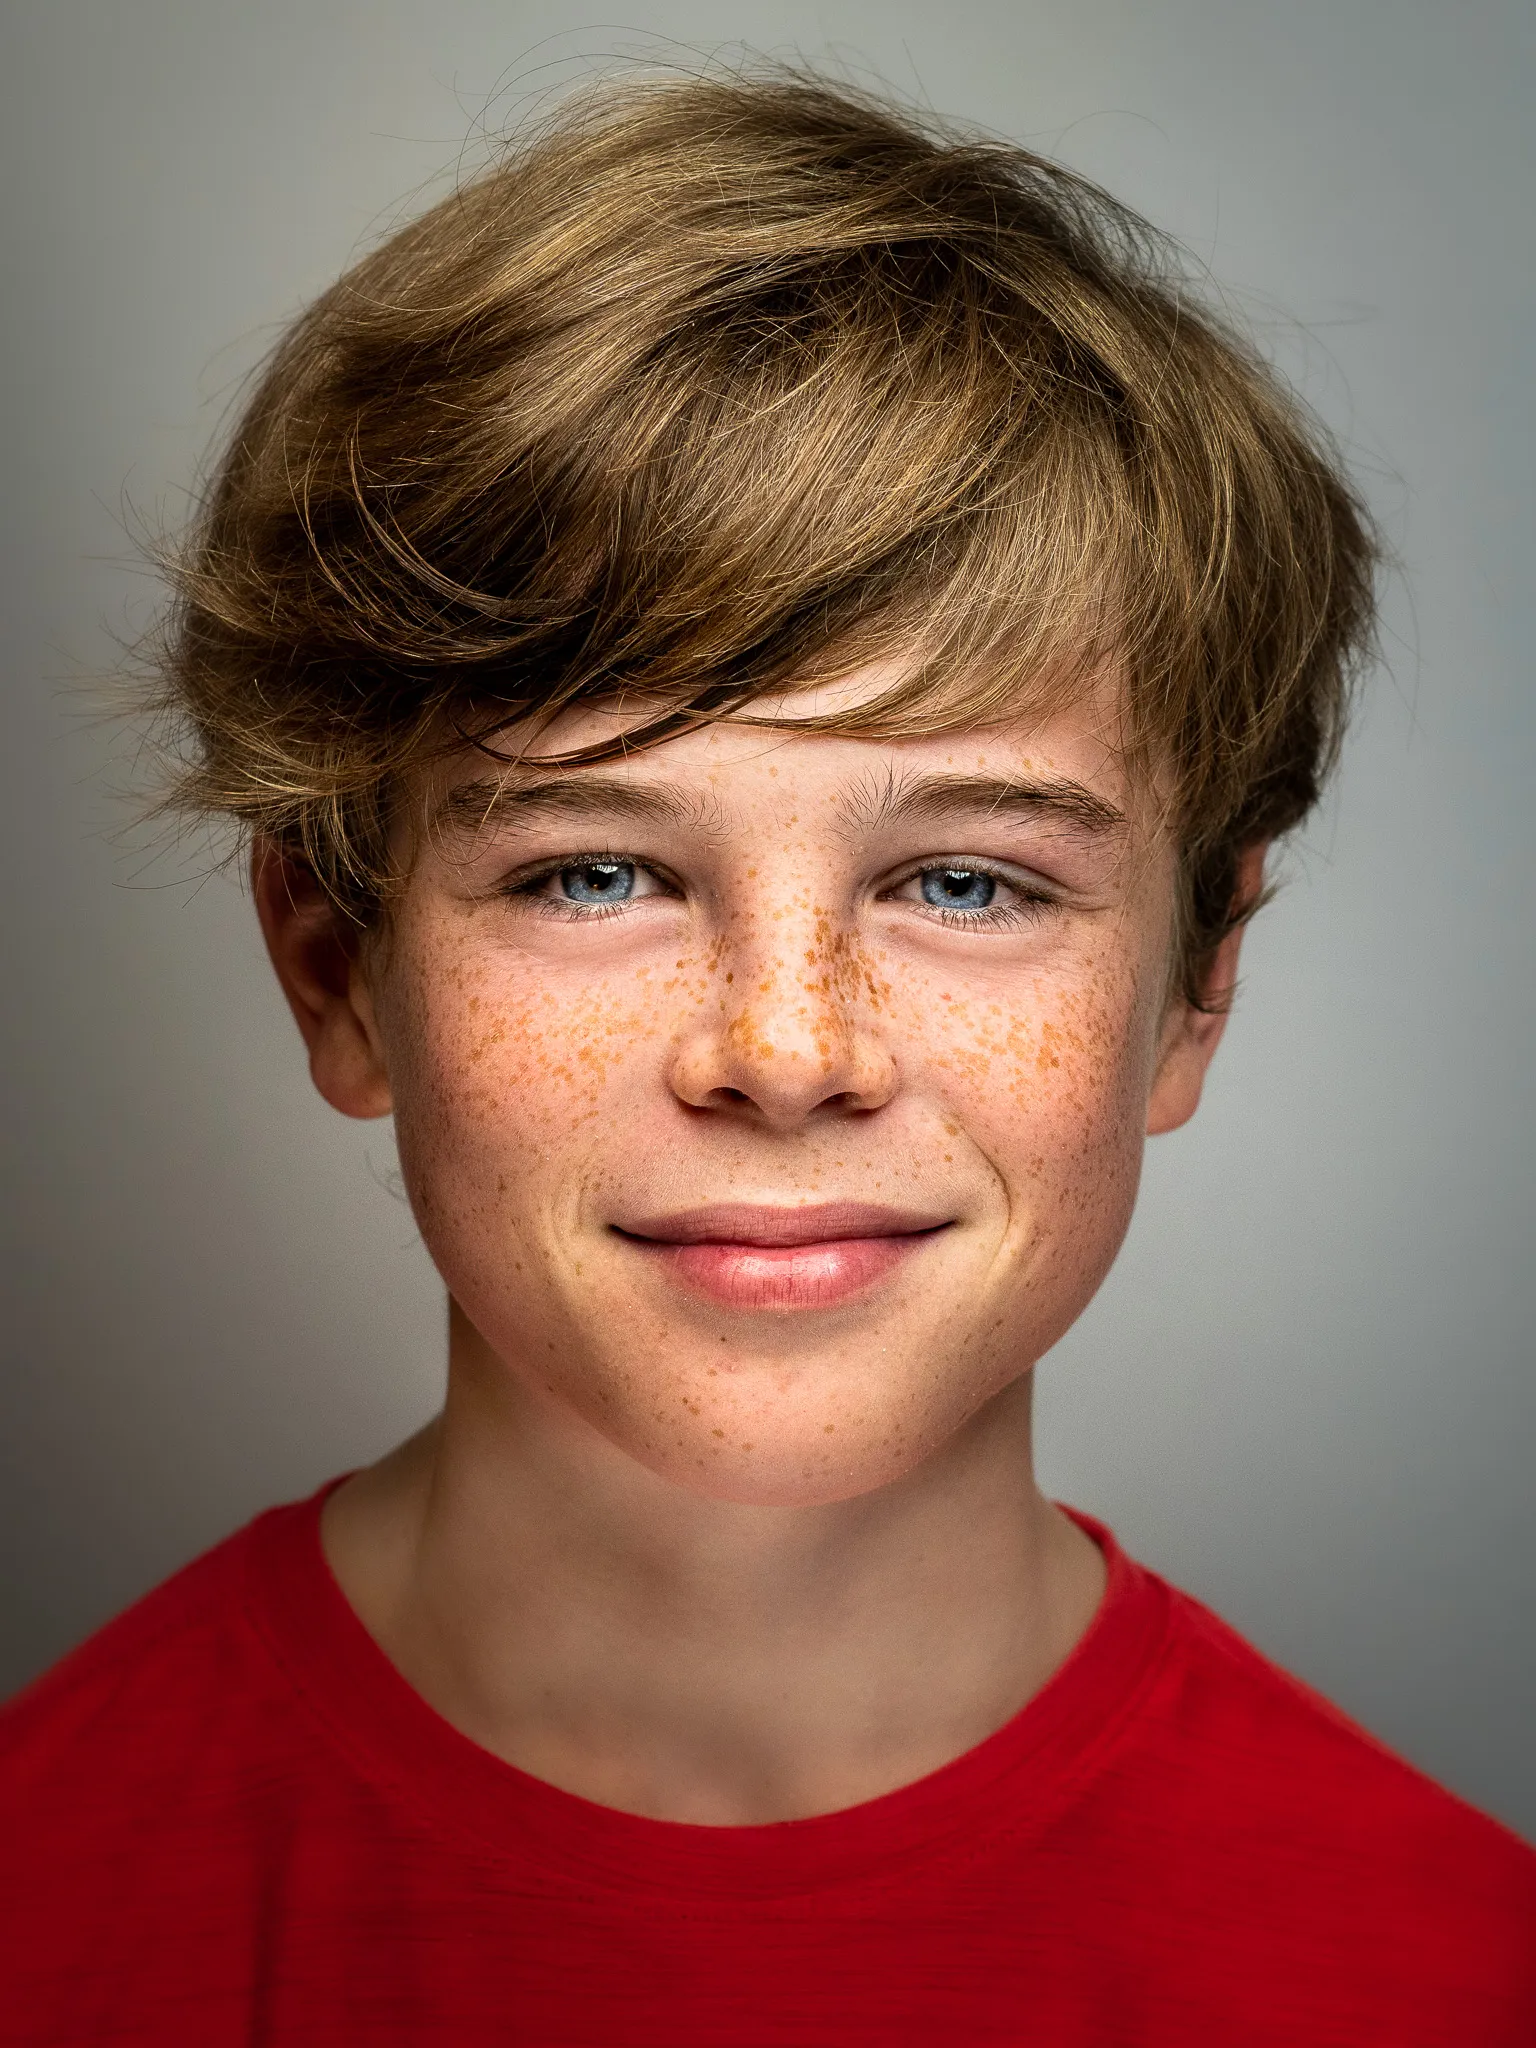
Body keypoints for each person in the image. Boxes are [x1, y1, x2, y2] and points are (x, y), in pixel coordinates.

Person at [1, 67, 1530, 2045]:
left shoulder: (1457, 1978)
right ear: (336, 968)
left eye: (968, 884)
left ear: (1198, 981)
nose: (789, 1052)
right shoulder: (48, 1911)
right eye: (600, 870)